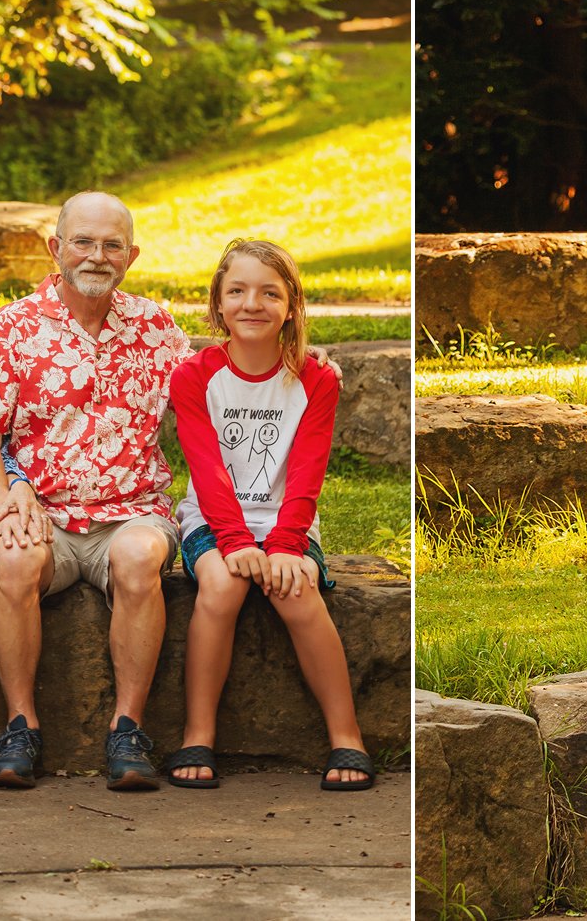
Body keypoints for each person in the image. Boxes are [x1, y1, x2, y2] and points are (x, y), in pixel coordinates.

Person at [0, 190, 191, 792]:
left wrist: (300, 363)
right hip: (45, 513)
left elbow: (212, 392)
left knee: (141, 558)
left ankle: (128, 729)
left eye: (112, 245)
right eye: (83, 242)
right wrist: (3, 504)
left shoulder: (157, 327)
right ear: (55, 248)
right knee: (11, 560)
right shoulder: (13, 327)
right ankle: (20, 726)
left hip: (133, 509)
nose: (96, 255)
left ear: (131, 256)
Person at [164, 240, 374, 793]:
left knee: (296, 592)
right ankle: (198, 732)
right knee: (221, 587)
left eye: (268, 292)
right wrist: (235, 543)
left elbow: (307, 473)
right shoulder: (194, 377)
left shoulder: (315, 380)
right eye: (236, 291)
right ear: (217, 305)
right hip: (214, 517)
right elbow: (206, 468)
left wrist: (284, 546)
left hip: (289, 522)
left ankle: (346, 735)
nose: (251, 303)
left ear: (291, 306)